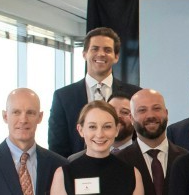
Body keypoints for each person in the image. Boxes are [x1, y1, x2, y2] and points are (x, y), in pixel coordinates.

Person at [48, 27, 139, 158]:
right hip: (77, 172)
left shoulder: (134, 94)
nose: (101, 54)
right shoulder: (63, 96)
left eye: (107, 50)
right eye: (95, 48)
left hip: (125, 168)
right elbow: (57, 147)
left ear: (116, 57)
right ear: (84, 53)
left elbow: (139, 138)